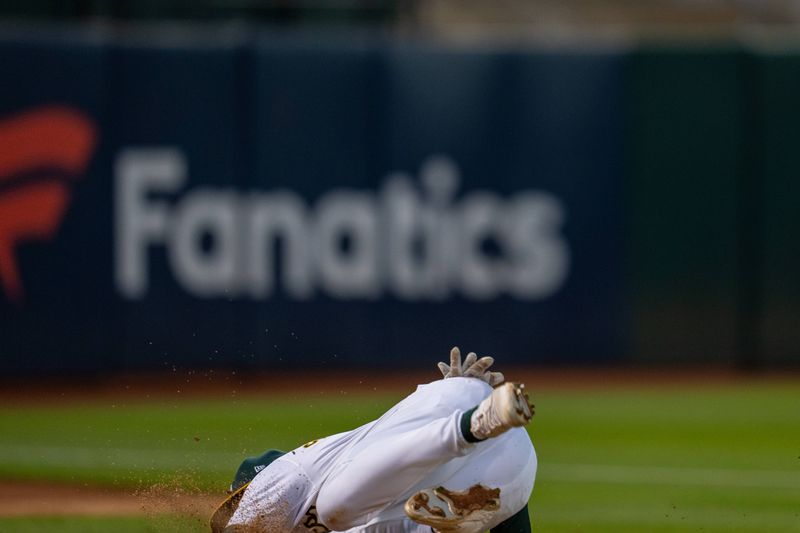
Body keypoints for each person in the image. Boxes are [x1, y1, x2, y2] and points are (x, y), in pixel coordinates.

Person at [211, 348, 537, 533]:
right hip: (504, 476)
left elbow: (240, 525)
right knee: (358, 516)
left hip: (471, 427)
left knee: (335, 506)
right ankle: (454, 519)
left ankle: (472, 427)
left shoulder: (295, 476)